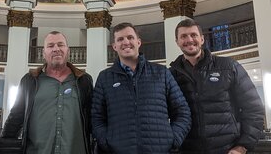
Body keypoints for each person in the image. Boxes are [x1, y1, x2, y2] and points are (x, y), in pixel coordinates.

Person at [92, 22, 191, 154]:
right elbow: (96, 118)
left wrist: (173, 139)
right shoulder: (105, 78)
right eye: (120, 39)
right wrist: (107, 143)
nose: (126, 42)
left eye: (130, 37)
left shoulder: (162, 73)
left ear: (138, 42)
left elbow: (182, 112)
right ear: (114, 46)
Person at [170, 19, 265, 154]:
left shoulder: (229, 66)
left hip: (228, 149)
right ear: (177, 42)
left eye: (193, 35)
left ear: (202, 39)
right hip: (187, 149)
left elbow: (254, 108)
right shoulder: (170, 75)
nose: (189, 40)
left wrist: (243, 146)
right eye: (183, 36)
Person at [0, 31, 93, 154]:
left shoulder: (84, 80)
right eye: (50, 46)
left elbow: (93, 118)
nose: (56, 49)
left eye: (60, 45)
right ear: (44, 53)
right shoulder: (30, 81)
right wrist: (3, 146)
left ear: (68, 50)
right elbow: (16, 117)